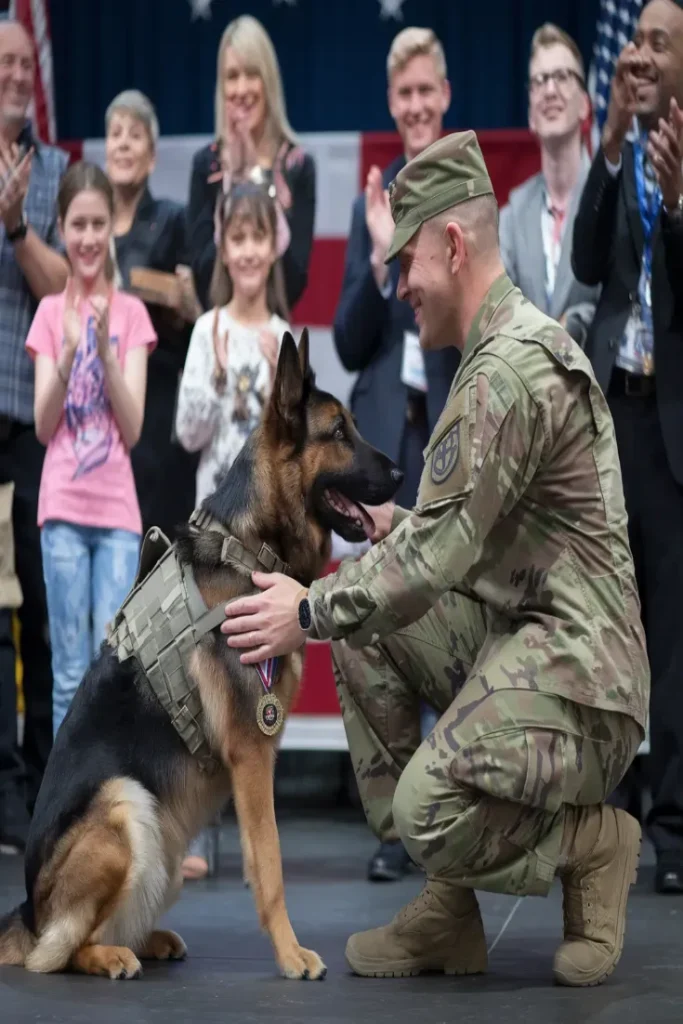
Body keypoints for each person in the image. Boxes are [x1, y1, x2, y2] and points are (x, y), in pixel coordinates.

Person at [219, 130, 650, 989]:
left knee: (423, 801)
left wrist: (302, 610)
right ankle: (449, 911)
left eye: (405, 262)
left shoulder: (506, 372)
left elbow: (438, 559)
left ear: (451, 247)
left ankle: (593, 845)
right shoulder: (486, 363)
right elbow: (462, 538)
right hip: (526, 637)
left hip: (585, 682)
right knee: (365, 631)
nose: (399, 285)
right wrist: (399, 526)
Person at [334, 25, 460, 883]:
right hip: (386, 434)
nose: (415, 107)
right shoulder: (367, 204)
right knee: (377, 613)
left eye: (426, 92)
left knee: (446, 603)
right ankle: (394, 827)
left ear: (443, 95)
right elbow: (346, 341)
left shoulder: (463, 195)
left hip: (453, 427)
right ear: (391, 104)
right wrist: (384, 251)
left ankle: (448, 808)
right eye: (402, 96)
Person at [571, 0, 683, 894]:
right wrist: (609, 138)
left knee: (675, 636)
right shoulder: (623, 149)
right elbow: (582, 259)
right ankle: (611, 823)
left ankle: (675, 829)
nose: (639, 55)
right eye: (635, 41)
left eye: (658, 44)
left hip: (675, 420)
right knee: (616, 629)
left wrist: (677, 207)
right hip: (617, 417)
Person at [175, 181, 290, 879]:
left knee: (263, 686)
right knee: (205, 688)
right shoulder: (205, 329)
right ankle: (187, 824)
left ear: (274, 244)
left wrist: (282, 392)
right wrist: (215, 379)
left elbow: (290, 452)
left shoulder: (282, 337)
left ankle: (257, 841)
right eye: (237, 238)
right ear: (225, 246)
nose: (248, 250)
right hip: (214, 541)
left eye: (258, 237)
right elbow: (187, 434)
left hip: (264, 544)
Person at [25, 162, 157, 737]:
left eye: (98, 224)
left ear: (110, 231)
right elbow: (42, 423)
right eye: (77, 224)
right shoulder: (51, 313)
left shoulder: (131, 314)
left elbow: (132, 429)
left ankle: (108, 817)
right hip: (62, 514)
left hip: (117, 519)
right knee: (68, 674)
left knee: (113, 674)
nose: (87, 237)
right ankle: (65, 820)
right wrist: (67, 352)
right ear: (61, 228)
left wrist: (103, 351)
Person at [0, 19, 69, 850]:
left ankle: (43, 777)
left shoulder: (55, 171)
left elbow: (64, 291)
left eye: (24, 62)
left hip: (37, 415)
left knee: (40, 612)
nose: (18, 73)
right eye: (5, 63)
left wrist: (17, 226)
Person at [105, 89, 201, 542]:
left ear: (152, 156)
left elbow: (193, 320)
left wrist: (184, 302)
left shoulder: (172, 219)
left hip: (157, 409)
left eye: (135, 134)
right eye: (115, 133)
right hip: (98, 408)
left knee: (152, 542)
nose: (123, 143)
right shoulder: (89, 228)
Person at [187, 14, 315, 313]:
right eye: (232, 76)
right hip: (218, 333)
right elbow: (202, 277)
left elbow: (294, 282)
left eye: (251, 74)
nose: (242, 89)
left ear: (268, 79)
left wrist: (253, 178)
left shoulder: (299, 166)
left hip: (273, 335)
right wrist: (231, 182)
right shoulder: (206, 166)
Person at [499, 23, 599, 345]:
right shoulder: (512, 215)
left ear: (585, 104)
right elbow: (499, 310)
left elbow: (616, 302)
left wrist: (571, 325)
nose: (550, 90)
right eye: (540, 80)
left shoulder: (609, 197)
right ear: (530, 113)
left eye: (562, 76)